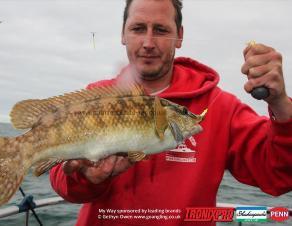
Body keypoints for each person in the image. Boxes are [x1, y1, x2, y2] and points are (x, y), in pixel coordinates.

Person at [50, 0, 292, 225]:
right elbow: (63, 182)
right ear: (123, 34)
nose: (148, 42)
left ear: (180, 36)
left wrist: (280, 104)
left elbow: (278, 174)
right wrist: (87, 177)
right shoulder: (97, 96)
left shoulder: (220, 106)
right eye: (137, 28)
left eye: (161, 30)